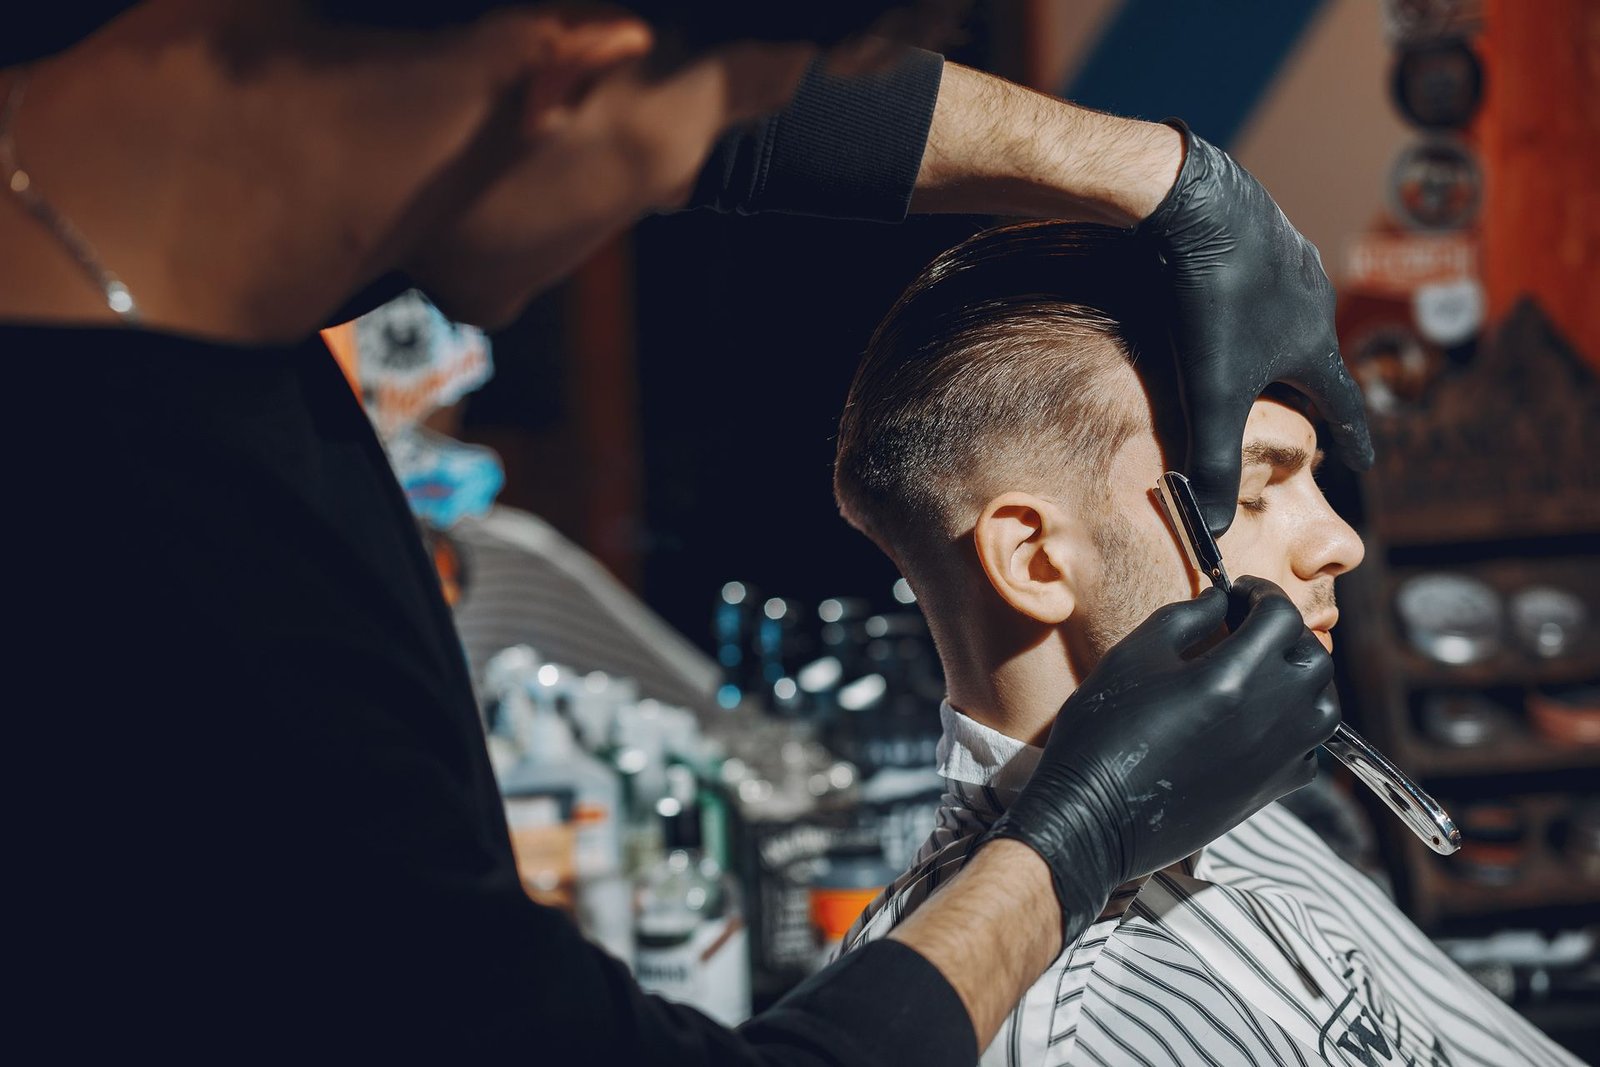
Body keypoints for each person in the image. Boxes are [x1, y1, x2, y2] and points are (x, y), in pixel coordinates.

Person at [6, 2, 1359, 1061]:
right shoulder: (177, 577)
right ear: (570, 76)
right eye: (711, 130)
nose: (675, 192)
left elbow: (737, 102)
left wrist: (1168, 179)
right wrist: (1083, 827)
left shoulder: (94, 104)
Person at [832, 221, 1581, 1067]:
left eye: (1316, 479)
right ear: (1037, 559)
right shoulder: (1044, 1036)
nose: (1340, 541)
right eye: (1254, 494)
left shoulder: (1234, 807)